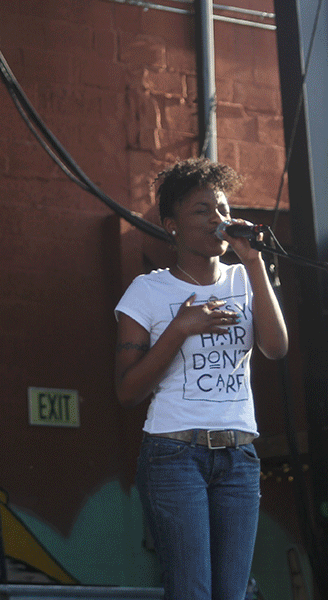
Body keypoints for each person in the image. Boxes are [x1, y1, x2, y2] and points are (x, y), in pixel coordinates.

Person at [114, 157, 288, 600]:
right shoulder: (148, 291)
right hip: (174, 455)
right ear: (171, 225)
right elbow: (127, 391)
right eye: (202, 210)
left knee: (231, 594)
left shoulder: (245, 278)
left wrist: (254, 264)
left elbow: (276, 347)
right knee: (192, 591)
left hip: (239, 457)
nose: (218, 219)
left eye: (224, 209)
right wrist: (178, 329)